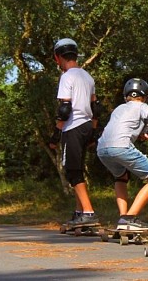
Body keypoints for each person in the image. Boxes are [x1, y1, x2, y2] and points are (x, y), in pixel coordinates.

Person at [96, 78, 148, 231]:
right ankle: (130, 218)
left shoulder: (119, 108)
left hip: (102, 148)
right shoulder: (143, 106)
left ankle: (123, 217)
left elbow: (124, 126)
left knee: (121, 177)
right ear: (145, 96)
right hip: (121, 146)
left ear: (126, 95)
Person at [49, 38, 103, 228]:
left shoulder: (67, 76)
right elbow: (96, 107)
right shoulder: (87, 76)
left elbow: (65, 109)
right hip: (87, 125)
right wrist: (93, 132)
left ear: (58, 57)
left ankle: (88, 212)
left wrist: (56, 135)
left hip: (73, 127)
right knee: (77, 170)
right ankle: (79, 212)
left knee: (72, 172)